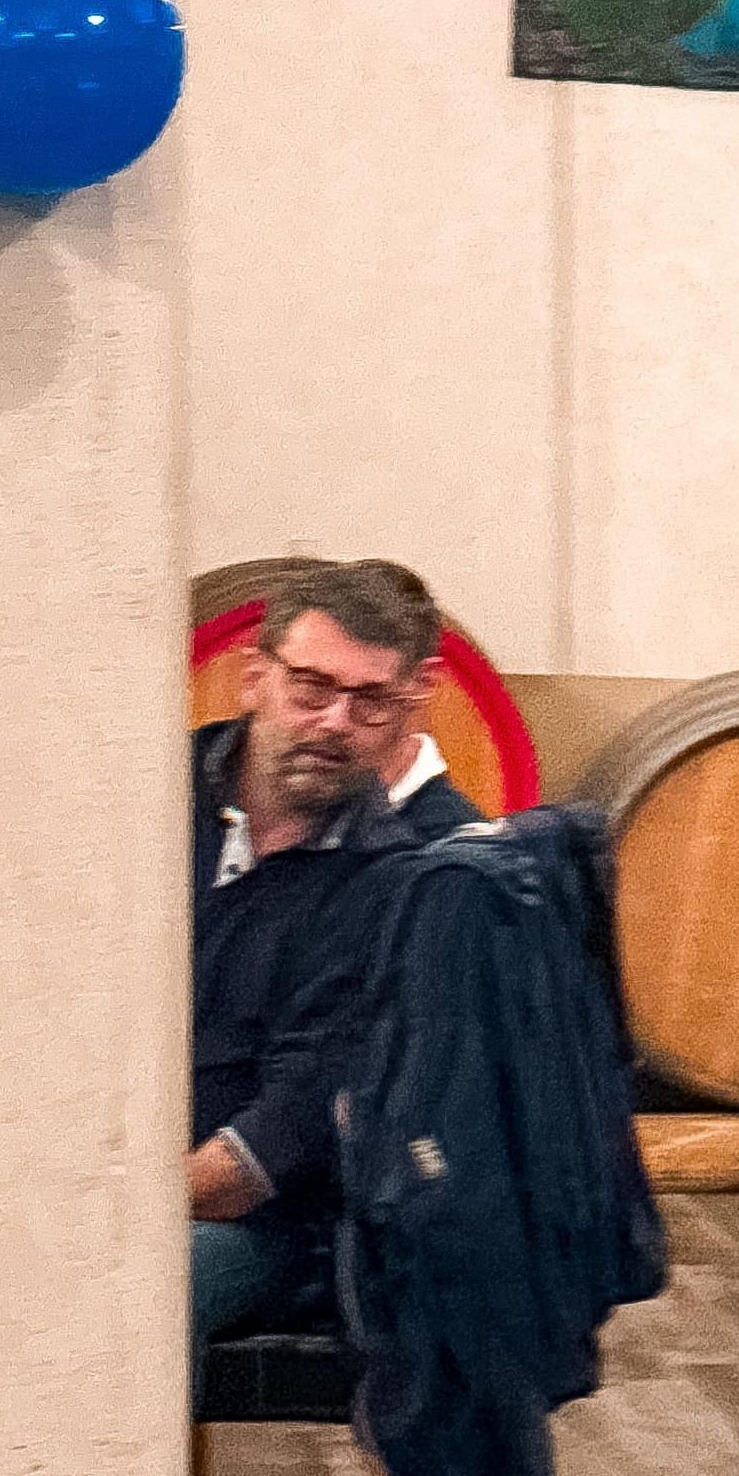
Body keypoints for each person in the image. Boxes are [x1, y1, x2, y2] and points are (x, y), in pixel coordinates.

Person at [190, 560, 431, 1403]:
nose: (335, 721)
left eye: (370, 702)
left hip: (266, 1223)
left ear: (406, 712)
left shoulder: (394, 888)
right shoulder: (140, 798)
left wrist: (102, 1211)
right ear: (253, 677)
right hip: (101, 1168)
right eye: (312, 687)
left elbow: (266, 1152)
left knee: (133, 1293)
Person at [343, 559, 484, 839]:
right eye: (313, 686)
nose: (333, 719)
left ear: (422, 683)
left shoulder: (451, 846)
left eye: (369, 694)